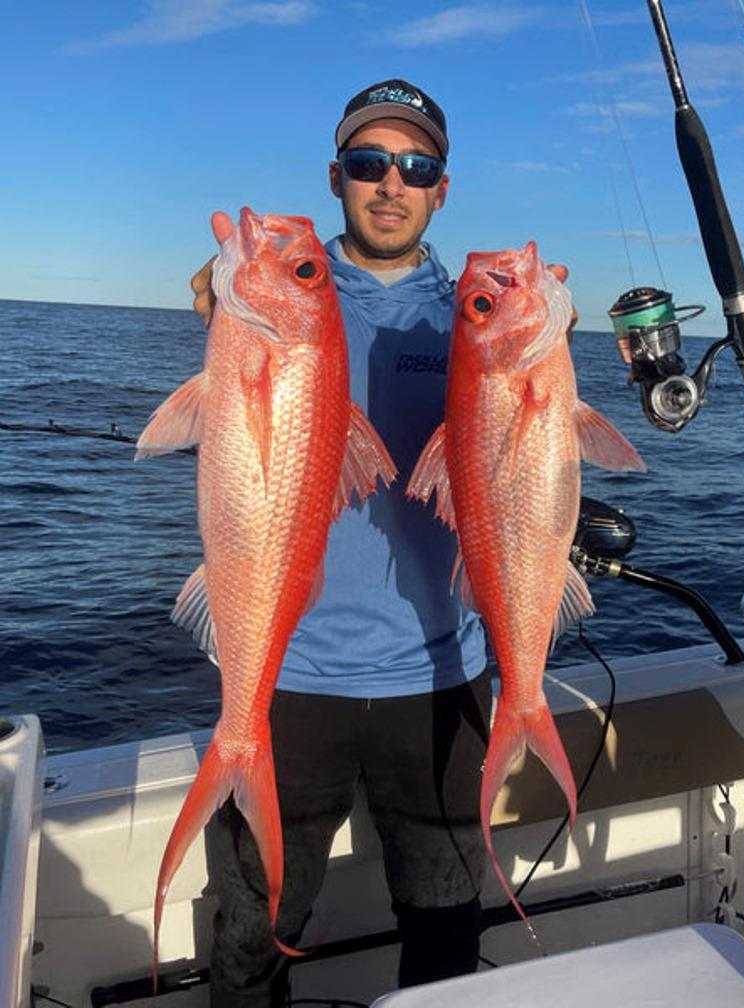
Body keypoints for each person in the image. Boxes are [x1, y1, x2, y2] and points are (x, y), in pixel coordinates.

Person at [192, 80, 491, 1007]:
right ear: (337, 178)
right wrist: (224, 312)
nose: (390, 184)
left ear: (443, 187)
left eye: (416, 166)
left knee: (445, 926)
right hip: (289, 679)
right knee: (252, 928)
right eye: (368, 164)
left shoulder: (477, 315)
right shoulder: (281, 293)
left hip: (438, 680)